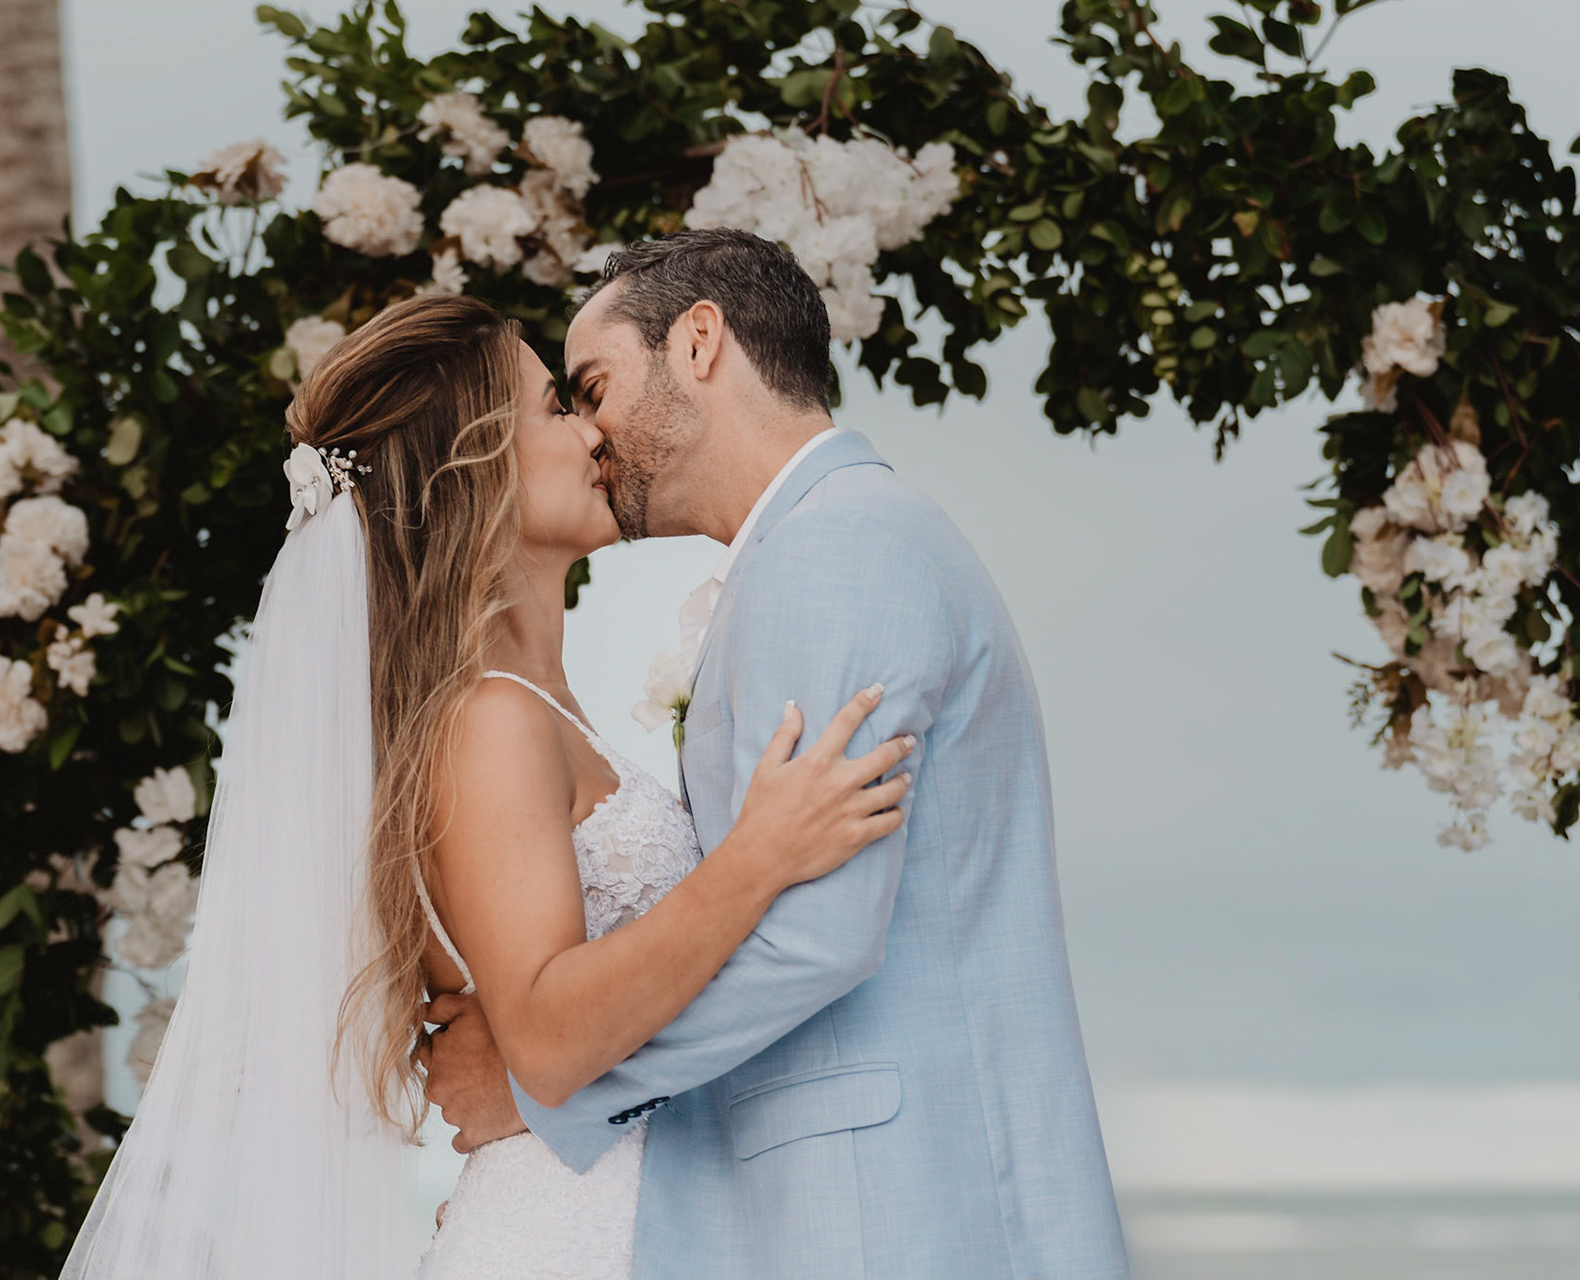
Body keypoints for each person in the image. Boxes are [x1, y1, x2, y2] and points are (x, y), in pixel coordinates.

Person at [59, 292, 912, 1280]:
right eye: (557, 406)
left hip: (634, 1213)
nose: (598, 428)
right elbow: (548, 1033)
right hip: (578, 1231)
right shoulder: (489, 719)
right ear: (474, 470)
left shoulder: (530, 706)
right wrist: (757, 860)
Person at [423, 228, 1132, 1279]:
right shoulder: (827, 544)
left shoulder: (835, 552)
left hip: (886, 1207)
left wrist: (546, 1084)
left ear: (699, 342)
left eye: (595, 384)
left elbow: (815, 936)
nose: (591, 430)